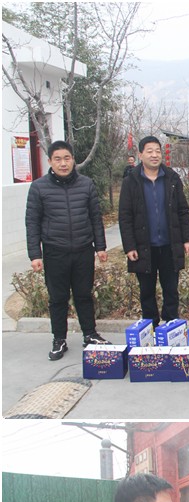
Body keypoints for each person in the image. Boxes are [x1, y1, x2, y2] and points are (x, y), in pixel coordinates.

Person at [25, 139, 110, 360]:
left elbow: (95, 217)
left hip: (83, 250)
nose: (63, 163)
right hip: (55, 251)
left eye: (67, 158)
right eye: (58, 159)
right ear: (50, 162)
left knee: (84, 295)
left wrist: (100, 246)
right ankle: (59, 339)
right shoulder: (39, 187)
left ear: (73, 160)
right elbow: (32, 223)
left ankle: (90, 334)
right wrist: (35, 254)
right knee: (58, 298)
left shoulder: (86, 184)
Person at [118, 135, 189, 327]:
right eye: (149, 151)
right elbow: (125, 216)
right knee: (146, 291)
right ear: (140, 155)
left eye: (157, 151)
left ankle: (171, 326)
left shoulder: (172, 178)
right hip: (144, 246)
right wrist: (129, 246)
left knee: (171, 289)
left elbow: (183, 210)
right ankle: (150, 326)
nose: (154, 155)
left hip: (170, 244)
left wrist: (186, 239)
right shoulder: (131, 181)